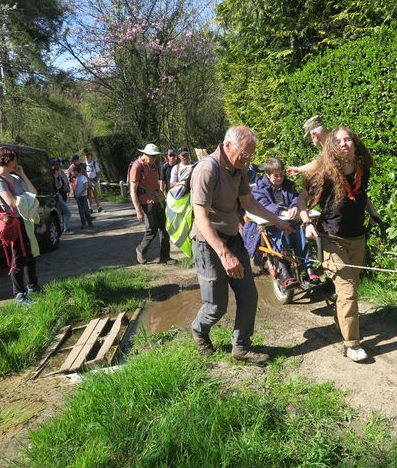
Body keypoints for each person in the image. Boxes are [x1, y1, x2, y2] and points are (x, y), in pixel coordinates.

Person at [190, 125, 293, 365]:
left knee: (248, 296)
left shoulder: (240, 170)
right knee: (217, 305)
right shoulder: (207, 169)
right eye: (245, 153)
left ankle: (241, 347)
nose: (248, 160)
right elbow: (201, 217)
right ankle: (198, 330)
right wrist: (224, 255)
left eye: (251, 155)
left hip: (232, 239)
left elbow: (248, 202)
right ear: (228, 146)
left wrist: (278, 221)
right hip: (209, 243)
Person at [297, 127, 383, 362]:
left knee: (349, 289)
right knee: (348, 291)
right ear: (333, 145)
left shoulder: (362, 169)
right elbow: (301, 201)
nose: (345, 144)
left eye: (348, 139)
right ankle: (352, 344)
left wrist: (373, 213)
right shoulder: (324, 172)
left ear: (355, 143)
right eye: (339, 141)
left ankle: (340, 319)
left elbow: (361, 194)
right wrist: (307, 224)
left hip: (357, 237)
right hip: (331, 238)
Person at [243, 157, 319, 288]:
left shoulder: (289, 185)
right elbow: (263, 205)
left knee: (300, 232)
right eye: (276, 175)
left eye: (281, 175)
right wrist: (281, 212)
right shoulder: (258, 189)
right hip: (270, 223)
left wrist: (295, 206)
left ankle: (307, 268)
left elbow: (297, 198)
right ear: (267, 175)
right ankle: (285, 271)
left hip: (290, 220)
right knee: (279, 233)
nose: (279, 178)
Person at [0, 146, 41, 303]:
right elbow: (11, 203)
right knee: (18, 258)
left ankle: (33, 288)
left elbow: (33, 193)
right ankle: (19, 294)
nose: (16, 162)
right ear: (6, 161)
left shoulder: (16, 178)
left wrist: (22, 174)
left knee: (30, 255)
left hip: (25, 220)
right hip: (13, 224)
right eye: (14, 159)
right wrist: (26, 199)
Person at [130, 143, 177, 265]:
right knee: (152, 229)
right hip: (146, 203)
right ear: (145, 154)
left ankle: (165, 257)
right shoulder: (137, 167)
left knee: (164, 228)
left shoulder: (154, 165)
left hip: (157, 200)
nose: (154, 158)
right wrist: (138, 210)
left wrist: (165, 200)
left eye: (155, 156)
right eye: (152, 156)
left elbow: (156, 185)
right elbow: (133, 191)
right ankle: (140, 249)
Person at [53, 164, 73, 234]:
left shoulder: (59, 176)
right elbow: (57, 187)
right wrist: (56, 178)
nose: (60, 171)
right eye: (59, 170)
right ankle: (66, 229)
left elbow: (65, 184)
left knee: (62, 213)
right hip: (57, 197)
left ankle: (63, 228)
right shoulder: (54, 178)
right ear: (56, 171)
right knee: (67, 213)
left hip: (61, 196)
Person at [74, 164, 93, 229]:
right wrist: (74, 193)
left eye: (74, 172)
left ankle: (89, 222)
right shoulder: (77, 178)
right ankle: (83, 223)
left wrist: (79, 194)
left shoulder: (83, 178)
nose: (74, 173)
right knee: (81, 211)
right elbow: (76, 187)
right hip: (78, 197)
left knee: (86, 210)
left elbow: (85, 188)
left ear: (77, 171)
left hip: (83, 196)